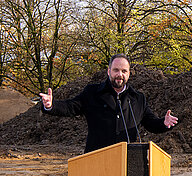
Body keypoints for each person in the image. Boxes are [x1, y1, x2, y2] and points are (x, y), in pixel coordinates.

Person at [39, 54, 178, 153]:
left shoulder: (137, 99)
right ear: (108, 71)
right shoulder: (92, 93)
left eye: (124, 71)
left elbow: (150, 122)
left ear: (129, 74)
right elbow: (71, 107)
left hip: (127, 160)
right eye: (116, 70)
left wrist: (163, 123)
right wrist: (51, 105)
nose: (120, 74)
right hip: (97, 157)